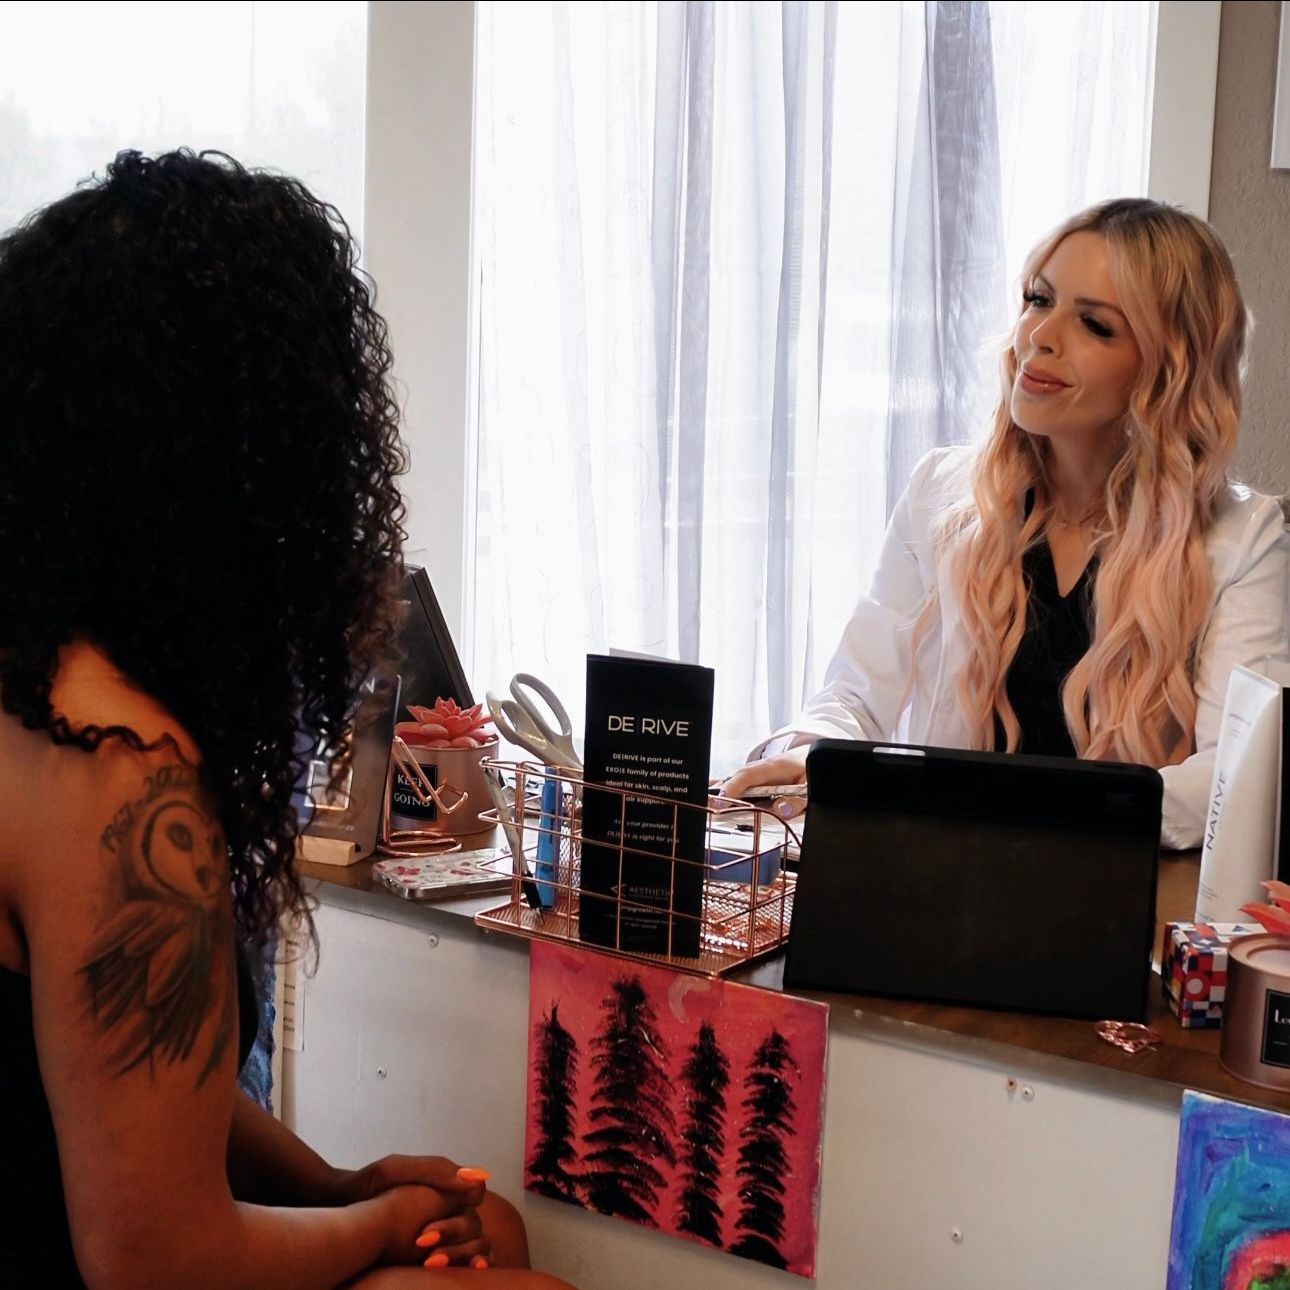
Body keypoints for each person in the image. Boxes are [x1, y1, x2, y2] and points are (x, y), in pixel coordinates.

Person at [0, 150, 573, 1290]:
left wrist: (331, 1185)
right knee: (511, 1273)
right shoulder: (120, 769)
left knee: (485, 1234)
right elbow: (157, 1262)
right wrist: (374, 1223)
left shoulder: (37, 679)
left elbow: (118, 1072)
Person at [725, 198, 1289, 851]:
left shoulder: (1244, 541)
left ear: (1169, 367)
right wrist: (816, 753)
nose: (1041, 336)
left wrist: (979, 800)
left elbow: (1230, 781)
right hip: (943, 890)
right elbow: (855, 692)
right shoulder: (942, 492)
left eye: (1095, 325)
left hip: (1124, 908)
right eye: (1037, 299)